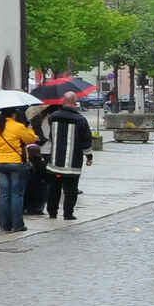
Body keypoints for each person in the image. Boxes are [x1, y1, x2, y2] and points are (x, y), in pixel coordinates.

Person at [45, 91, 94, 220]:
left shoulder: (53, 117)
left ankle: (52, 212)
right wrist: (89, 157)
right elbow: (86, 140)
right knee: (71, 189)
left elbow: (51, 135)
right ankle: (68, 213)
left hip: (55, 161)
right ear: (74, 102)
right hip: (72, 163)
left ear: (63, 101)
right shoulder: (80, 119)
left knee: (54, 188)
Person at [0, 105, 38, 233]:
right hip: (16, 163)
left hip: (0, 163)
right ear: (13, 115)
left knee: (4, 194)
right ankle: (17, 225)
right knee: (16, 194)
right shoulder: (18, 127)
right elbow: (31, 139)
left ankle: (5, 225)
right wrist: (30, 129)